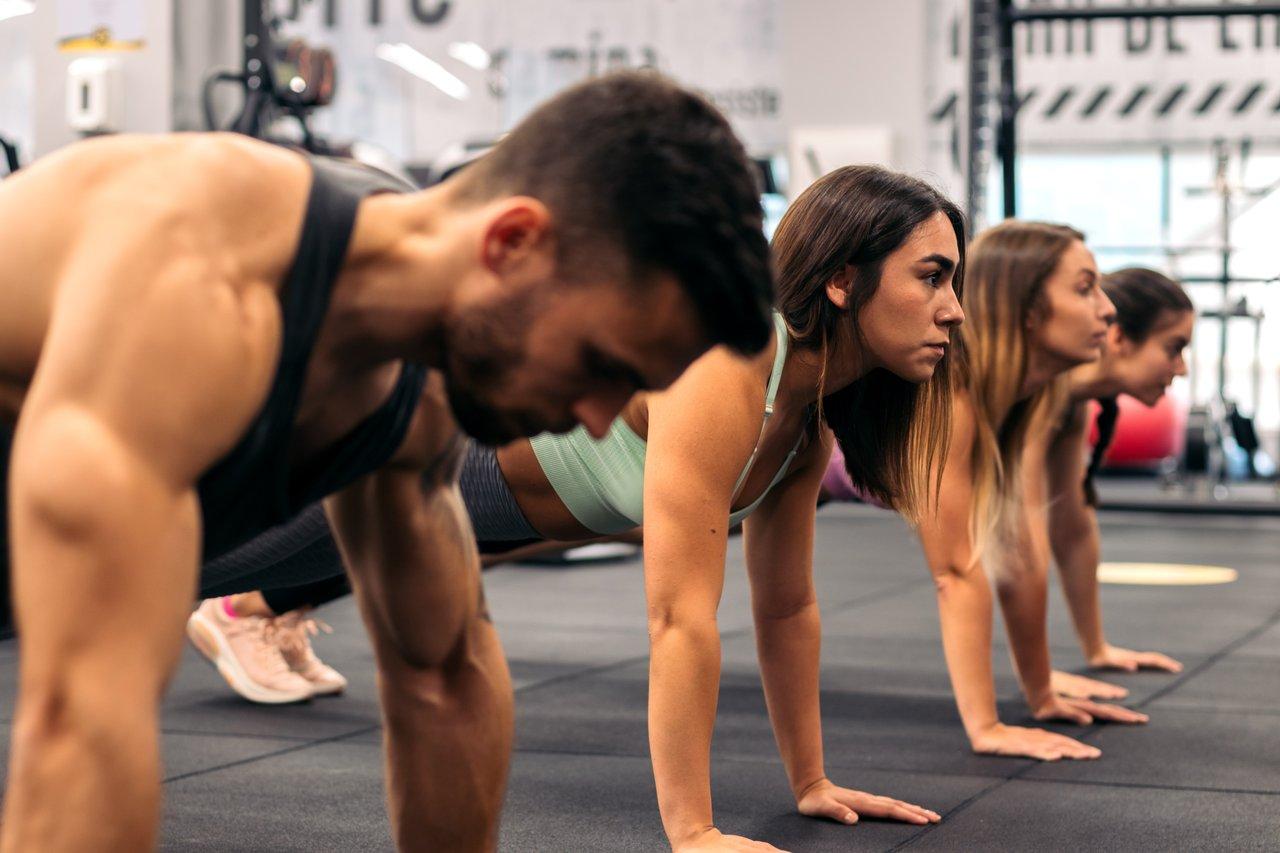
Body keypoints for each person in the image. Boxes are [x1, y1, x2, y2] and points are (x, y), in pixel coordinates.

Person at [0, 71, 774, 850]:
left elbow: (442, 679)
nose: (603, 420)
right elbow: (81, 732)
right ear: (511, 243)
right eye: (600, 362)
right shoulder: (193, 291)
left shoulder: (414, 368)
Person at [184, 164, 965, 850]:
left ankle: (235, 610)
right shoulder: (733, 361)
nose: (955, 308)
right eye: (931, 275)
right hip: (408, 451)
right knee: (150, 559)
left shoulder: (805, 421)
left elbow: (787, 609)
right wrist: (693, 832)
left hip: (453, 509)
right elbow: (679, 617)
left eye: (953, 280)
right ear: (842, 280)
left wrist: (812, 781)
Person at [914, 221, 1150, 764]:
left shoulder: (1030, 400)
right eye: (1085, 288)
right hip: (757, 469)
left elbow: (1019, 552)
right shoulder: (954, 387)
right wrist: (987, 726)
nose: (1109, 309)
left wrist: (1040, 692)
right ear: (1026, 310)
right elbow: (955, 570)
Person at [1031, 267, 1193, 701]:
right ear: (1119, 337)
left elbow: (1071, 524)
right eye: (1174, 348)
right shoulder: (1034, 391)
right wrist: (1038, 682)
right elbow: (1009, 547)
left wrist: (1095, 648)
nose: (1182, 368)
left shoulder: (1071, 401)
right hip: (846, 463)